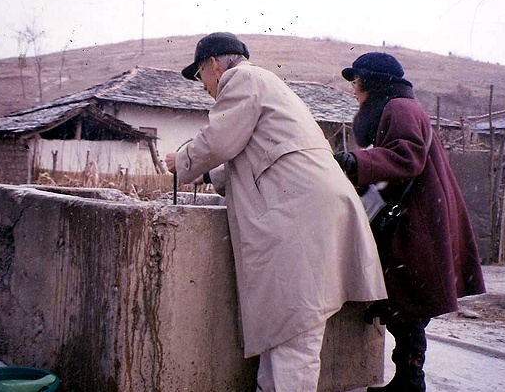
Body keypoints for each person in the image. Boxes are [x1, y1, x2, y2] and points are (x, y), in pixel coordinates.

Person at [165, 32, 387, 392]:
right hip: (313, 210)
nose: (203, 86)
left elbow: (221, 139)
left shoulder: (241, 78)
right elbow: (252, 153)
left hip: (301, 216)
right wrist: (207, 173)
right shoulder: (266, 85)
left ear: (213, 65)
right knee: (285, 329)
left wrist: (184, 160)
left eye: (199, 76)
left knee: (294, 331)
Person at [334, 52, 486, 392]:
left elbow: (407, 156)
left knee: (409, 303)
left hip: (418, 220)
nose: (354, 89)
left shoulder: (400, 109)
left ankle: (410, 382)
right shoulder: (398, 107)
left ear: (372, 81)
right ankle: (407, 380)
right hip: (417, 214)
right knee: (407, 303)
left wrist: (353, 161)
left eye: (356, 80)